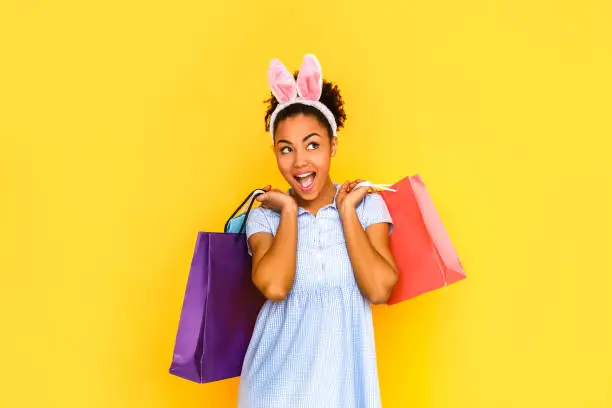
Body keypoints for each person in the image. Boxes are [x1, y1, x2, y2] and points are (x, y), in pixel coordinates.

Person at [237, 54, 398, 408]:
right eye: (286, 149)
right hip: (274, 390)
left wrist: (346, 211)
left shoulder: (366, 206)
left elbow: (380, 288)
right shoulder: (266, 216)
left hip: (344, 391)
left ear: (333, 145)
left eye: (312, 145)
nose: (299, 162)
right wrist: (291, 212)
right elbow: (275, 287)